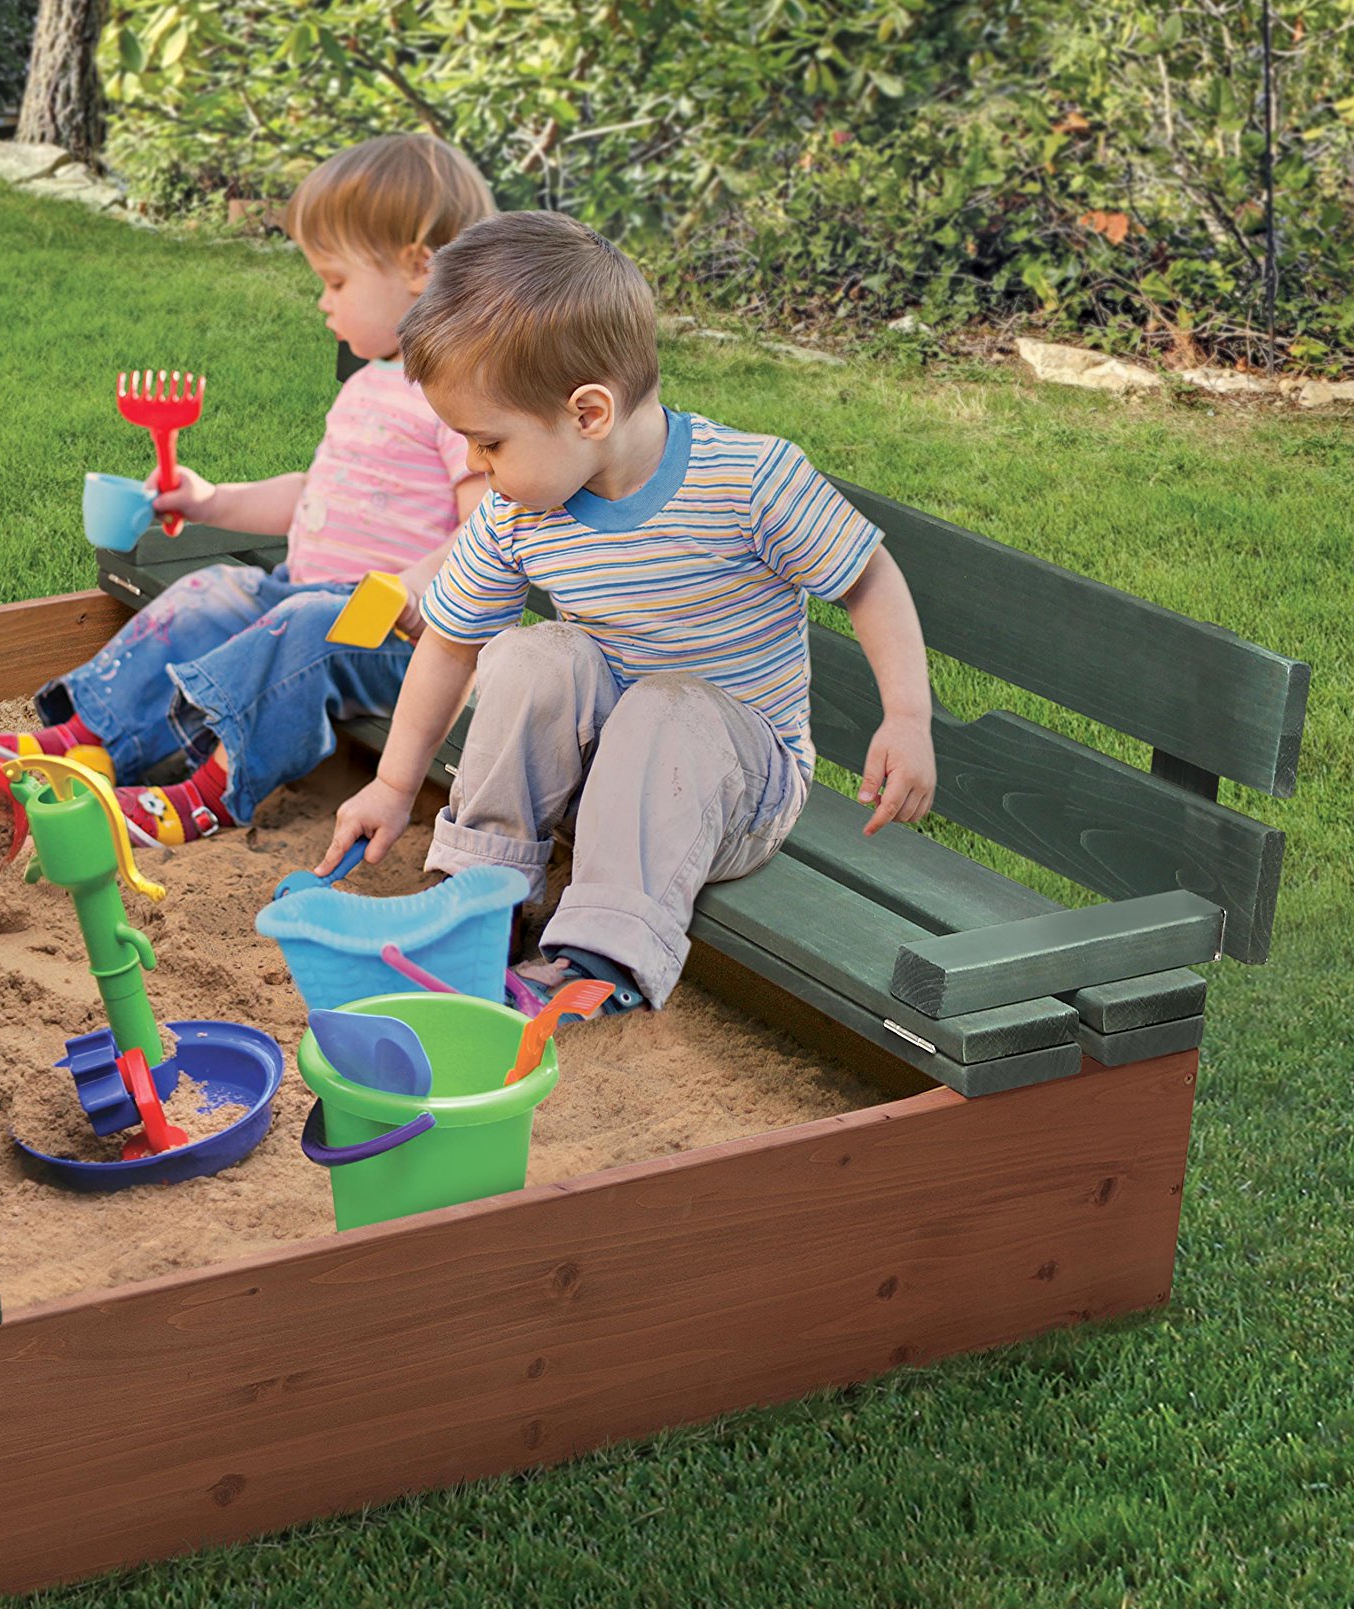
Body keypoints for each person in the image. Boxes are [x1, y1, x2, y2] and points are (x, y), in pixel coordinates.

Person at [321, 210, 939, 1015]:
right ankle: (482, 900)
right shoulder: (518, 513)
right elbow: (451, 643)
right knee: (530, 655)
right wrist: (394, 784)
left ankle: (598, 956)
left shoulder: (750, 481)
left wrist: (907, 717)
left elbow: (869, 580)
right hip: (601, 777)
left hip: (735, 790)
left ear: (588, 414)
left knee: (663, 706)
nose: (473, 462)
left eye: (490, 442)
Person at [0, 134, 496, 846]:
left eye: (336, 281)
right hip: (307, 597)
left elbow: (485, 529)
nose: (323, 302)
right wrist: (212, 502)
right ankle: (88, 740)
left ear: (418, 267)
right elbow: (315, 494)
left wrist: (413, 585)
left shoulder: (459, 398)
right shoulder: (371, 383)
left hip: (404, 640)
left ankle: (206, 796)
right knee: (211, 591)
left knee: (303, 622)